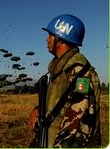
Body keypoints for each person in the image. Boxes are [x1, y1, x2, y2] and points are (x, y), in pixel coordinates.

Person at [29, 14, 101, 147]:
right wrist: (38, 109)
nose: (47, 40)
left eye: (50, 35)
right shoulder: (59, 70)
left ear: (59, 38)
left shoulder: (79, 73)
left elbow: (77, 124)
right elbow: (58, 102)